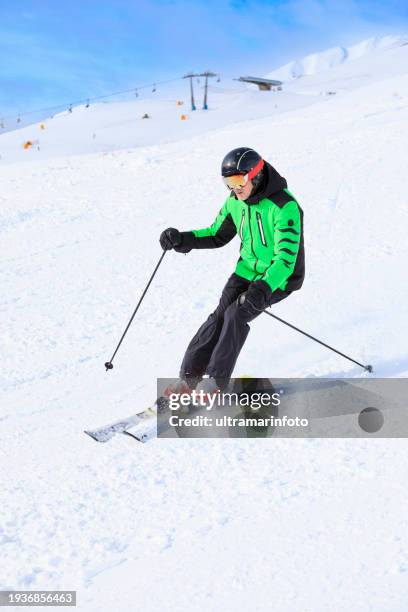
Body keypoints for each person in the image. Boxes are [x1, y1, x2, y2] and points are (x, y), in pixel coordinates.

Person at [160, 147, 305, 393]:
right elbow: (217, 234)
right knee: (219, 315)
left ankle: (215, 383)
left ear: (256, 175)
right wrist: (182, 239)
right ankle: (189, 378)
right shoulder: (235, 202)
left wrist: (264, 287)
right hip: (246, 271)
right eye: (228, 182)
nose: (234, 188)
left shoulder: (284, 206)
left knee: (235, 315)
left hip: (279, 278)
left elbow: (285, 260)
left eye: (238, 180)